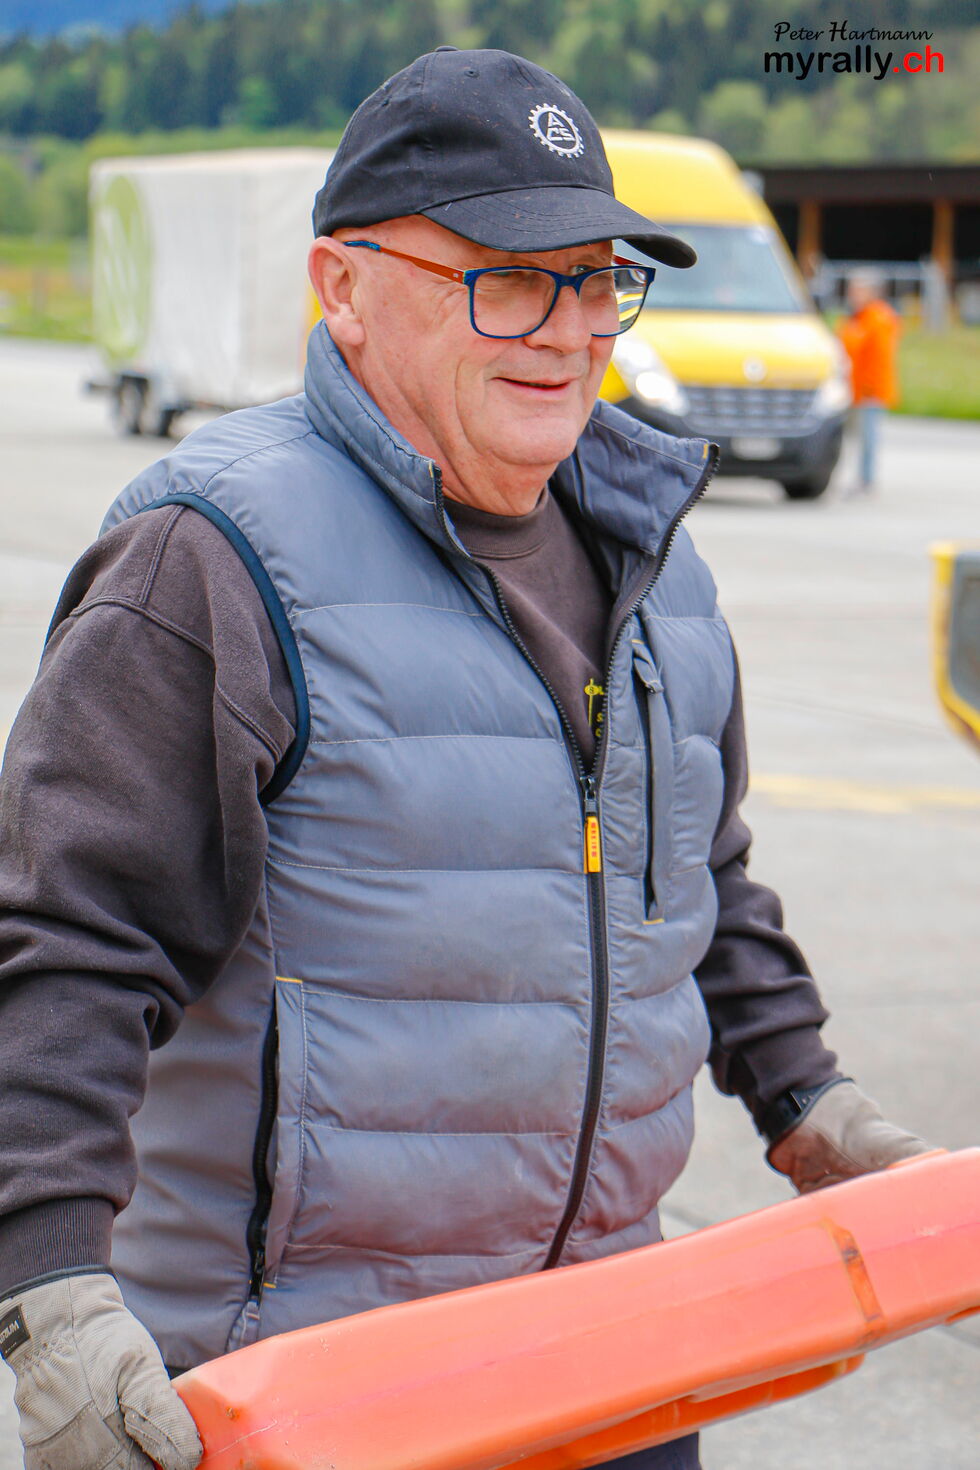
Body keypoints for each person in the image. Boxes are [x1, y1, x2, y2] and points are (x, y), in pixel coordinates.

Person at [0, 48, 930, 1470]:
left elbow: (700, 882)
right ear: (341, 287)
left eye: (597, 280)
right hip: (302, 1392)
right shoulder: (212, 560)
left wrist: (813, 1104)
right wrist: (50, 1292)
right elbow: (65, 945)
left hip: (614, 1365)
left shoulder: (659, 567)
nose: (567, 332)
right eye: (506, 279)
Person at [836, 270, 901, 496]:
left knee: (868, 437)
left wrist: (869, 388)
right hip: (852, 388)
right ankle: (857, 477)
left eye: (858, 290)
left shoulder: (878, 318)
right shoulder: (857, 317)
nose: (853, 295)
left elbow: (879, 358)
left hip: (869, 390)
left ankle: (866, 479)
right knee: (851, 436)